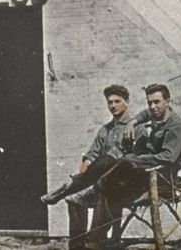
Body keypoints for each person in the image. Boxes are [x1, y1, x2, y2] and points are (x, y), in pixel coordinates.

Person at [84, 83, 181, 250]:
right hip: (146, 175)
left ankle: (96, 186)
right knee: (108, 190)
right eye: (150, 103)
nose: (153, 107)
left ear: (168, 101)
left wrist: (137, 160)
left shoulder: (176, 125)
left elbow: (168, 158)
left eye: (157, 102)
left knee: (126, 162)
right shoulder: (158, 116)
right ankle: (94, 242)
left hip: (163, 178)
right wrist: (132, 122)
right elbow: (145, 114)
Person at [41, 85, 133, 249]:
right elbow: (92, 153)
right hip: (101, 184)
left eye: (117, 101)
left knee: (108, 159)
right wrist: (87, 162)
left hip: (123, 184)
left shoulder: (135, 127)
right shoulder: (105, 130)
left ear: (127, 102)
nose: (113, 106)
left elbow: (138, 159)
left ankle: (68, 188)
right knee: (75, 200)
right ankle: (76, 245)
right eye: (109, 102)